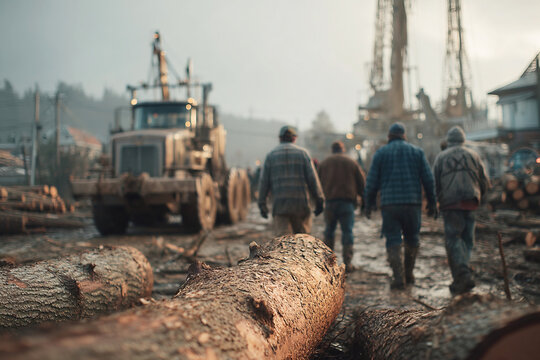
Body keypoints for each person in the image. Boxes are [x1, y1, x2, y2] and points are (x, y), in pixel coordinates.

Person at [364, 123, 437, 289]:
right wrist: (432, 202)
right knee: (412, 238)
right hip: (412, 204)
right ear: (404, 135)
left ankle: (398, 277)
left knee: (393, 239)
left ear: (389, 136)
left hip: (390, 205)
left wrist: (368, 204)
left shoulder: (380, 153)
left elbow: (371, 182)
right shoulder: (417, 152)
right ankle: (409, 273)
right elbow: (428, 179)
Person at [433, 126, 490, 295]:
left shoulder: (441, 157)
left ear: (449, 141)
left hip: (451, 204)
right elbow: (484, 181)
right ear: (463, 140)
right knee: (467, 240)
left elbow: (435, 182)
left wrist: (436, 201)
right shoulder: (474, 155)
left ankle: (462, 275)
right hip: (471, 202)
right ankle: (463, 275)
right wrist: (481, 198)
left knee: (453, 239)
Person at [258, 125, 325, 235]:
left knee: (282, 244)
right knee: (302, 243)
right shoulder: (303, 154)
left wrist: (262, 204)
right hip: (301, 205)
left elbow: (264, 182)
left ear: (280, 138)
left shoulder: (271, 155)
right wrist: (319, 200)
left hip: (280, 206)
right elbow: (313, 180)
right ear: (294, 138)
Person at [318, 141, 365, 272]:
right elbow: (362, 183)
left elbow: (317, 183)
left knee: (329, 231)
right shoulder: (351, 162)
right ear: (343, 150)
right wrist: (364, 200)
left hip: (330, 203)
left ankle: (328, 263)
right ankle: (347, 263)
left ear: (332, 150)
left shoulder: (324, 163)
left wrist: (318, 201)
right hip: (347, 203)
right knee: (347, 232)